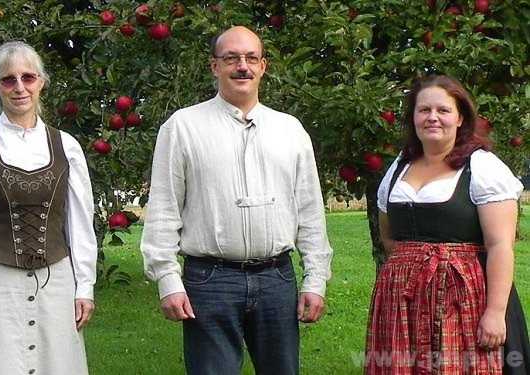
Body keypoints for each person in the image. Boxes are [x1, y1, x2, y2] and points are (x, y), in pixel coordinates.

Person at [140, 26, 333, 375]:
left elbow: (310, 211)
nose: (241, 66)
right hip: (210, 281)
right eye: (231, 58)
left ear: (263, 66)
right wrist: (167, 279)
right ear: (214, 66)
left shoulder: (290, 130)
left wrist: (315, 279)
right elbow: (164, 209)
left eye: (250, 58)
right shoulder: (182, 127)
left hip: (277, 279)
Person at [0, 41, 97, 375]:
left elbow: (80, 224)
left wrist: (84, 286)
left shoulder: (67, 146)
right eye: (8, 79)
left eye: (28, 77)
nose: (19, 87)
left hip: (56, 280)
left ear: (41, 82)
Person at [365, 75, 529, 374]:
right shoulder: (400, 165)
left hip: (466, 299)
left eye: (443, 110)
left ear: (460, 117)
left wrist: (495, 313)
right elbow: (389, 237)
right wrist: (413, 271)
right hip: (404, 302)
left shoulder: (482, 166)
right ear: (413, 117)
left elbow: (500, 246)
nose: (432, 117)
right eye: (423, 110)